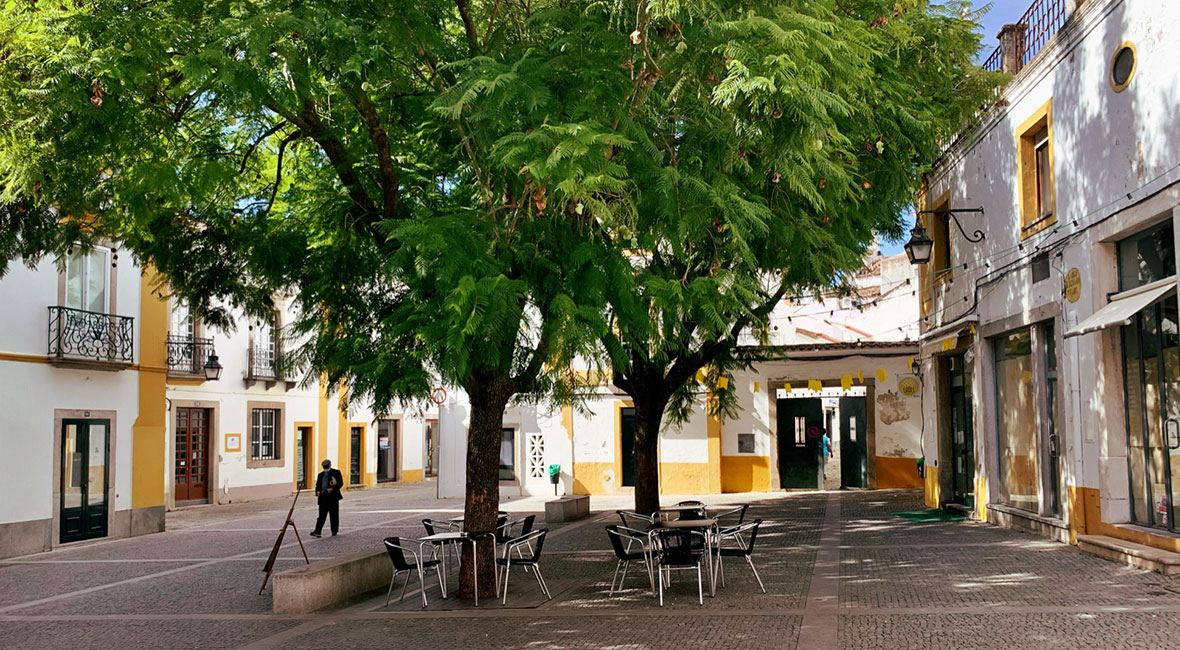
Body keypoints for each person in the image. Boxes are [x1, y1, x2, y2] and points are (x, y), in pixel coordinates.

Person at [310, 459, 344, 537]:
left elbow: (340, 483)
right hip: (323, 498)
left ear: (330, 465)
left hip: (333, 498)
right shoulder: (320, 475)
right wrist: (317, 491)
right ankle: (317, 531)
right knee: (321, 516)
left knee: (334, 515)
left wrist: (333, 489)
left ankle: (334, 531)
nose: (325, 468)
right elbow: (318, 485)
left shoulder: (336, 472)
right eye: (324, 467)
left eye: (326, 467)